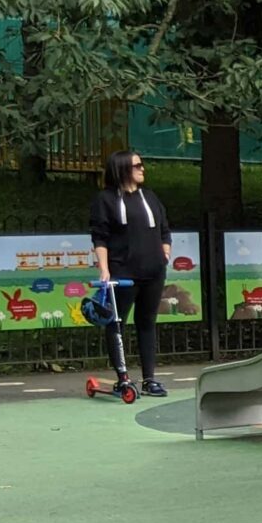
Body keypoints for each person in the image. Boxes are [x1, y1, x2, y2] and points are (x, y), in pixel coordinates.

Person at [89, 151, 172, 397]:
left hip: (154, 271)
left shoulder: (150, 197)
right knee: (116, 323)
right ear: (123, 169)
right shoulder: (105, 200)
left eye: (142, 164)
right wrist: (104, 269)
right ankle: (123, 378)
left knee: (147, 323)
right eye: (137, 165)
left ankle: (150, 379)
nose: (142, 168)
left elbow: (164, 230)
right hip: (123, 272)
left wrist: (164, 254)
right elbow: (100, 237)